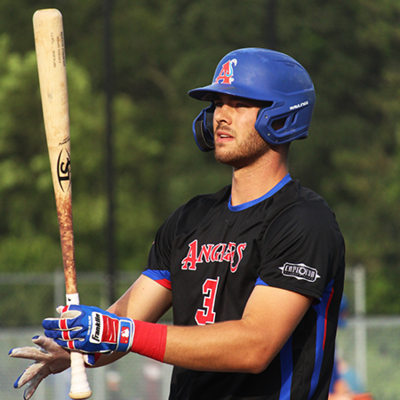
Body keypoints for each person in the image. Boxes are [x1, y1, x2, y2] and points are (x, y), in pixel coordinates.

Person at [10, 48, 345, 400]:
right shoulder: (190, 219)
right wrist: (80, 348)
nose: (221, 116)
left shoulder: (304, 221)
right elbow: (124, 325)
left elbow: (254, 346)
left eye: (240, 104)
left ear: (283, 116)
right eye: (217, 103)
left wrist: (120, 332)